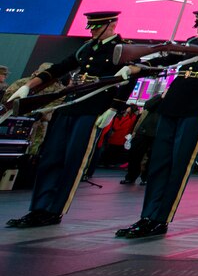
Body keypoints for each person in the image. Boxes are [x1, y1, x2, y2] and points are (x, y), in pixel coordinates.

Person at [115, 11, 198, 239]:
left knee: (178, 164)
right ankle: (147, 216)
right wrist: (139, 67)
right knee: (158, 163)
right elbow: (168, 60)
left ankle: (161, 218)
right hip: (173, 103)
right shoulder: (191, 44)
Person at [6, 12, 139, 228]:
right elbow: (59, 68)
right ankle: (38, 208)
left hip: (93, 107)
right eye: (91, 27)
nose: (93, 31)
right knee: (51, 158)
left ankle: (54, 210)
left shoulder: (123, 48)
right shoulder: (84, 48)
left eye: (97, 27)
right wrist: (28, 86)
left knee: (72, 160)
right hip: (70, 106)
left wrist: (114, 107)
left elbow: (130, 80)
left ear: (111, 25)